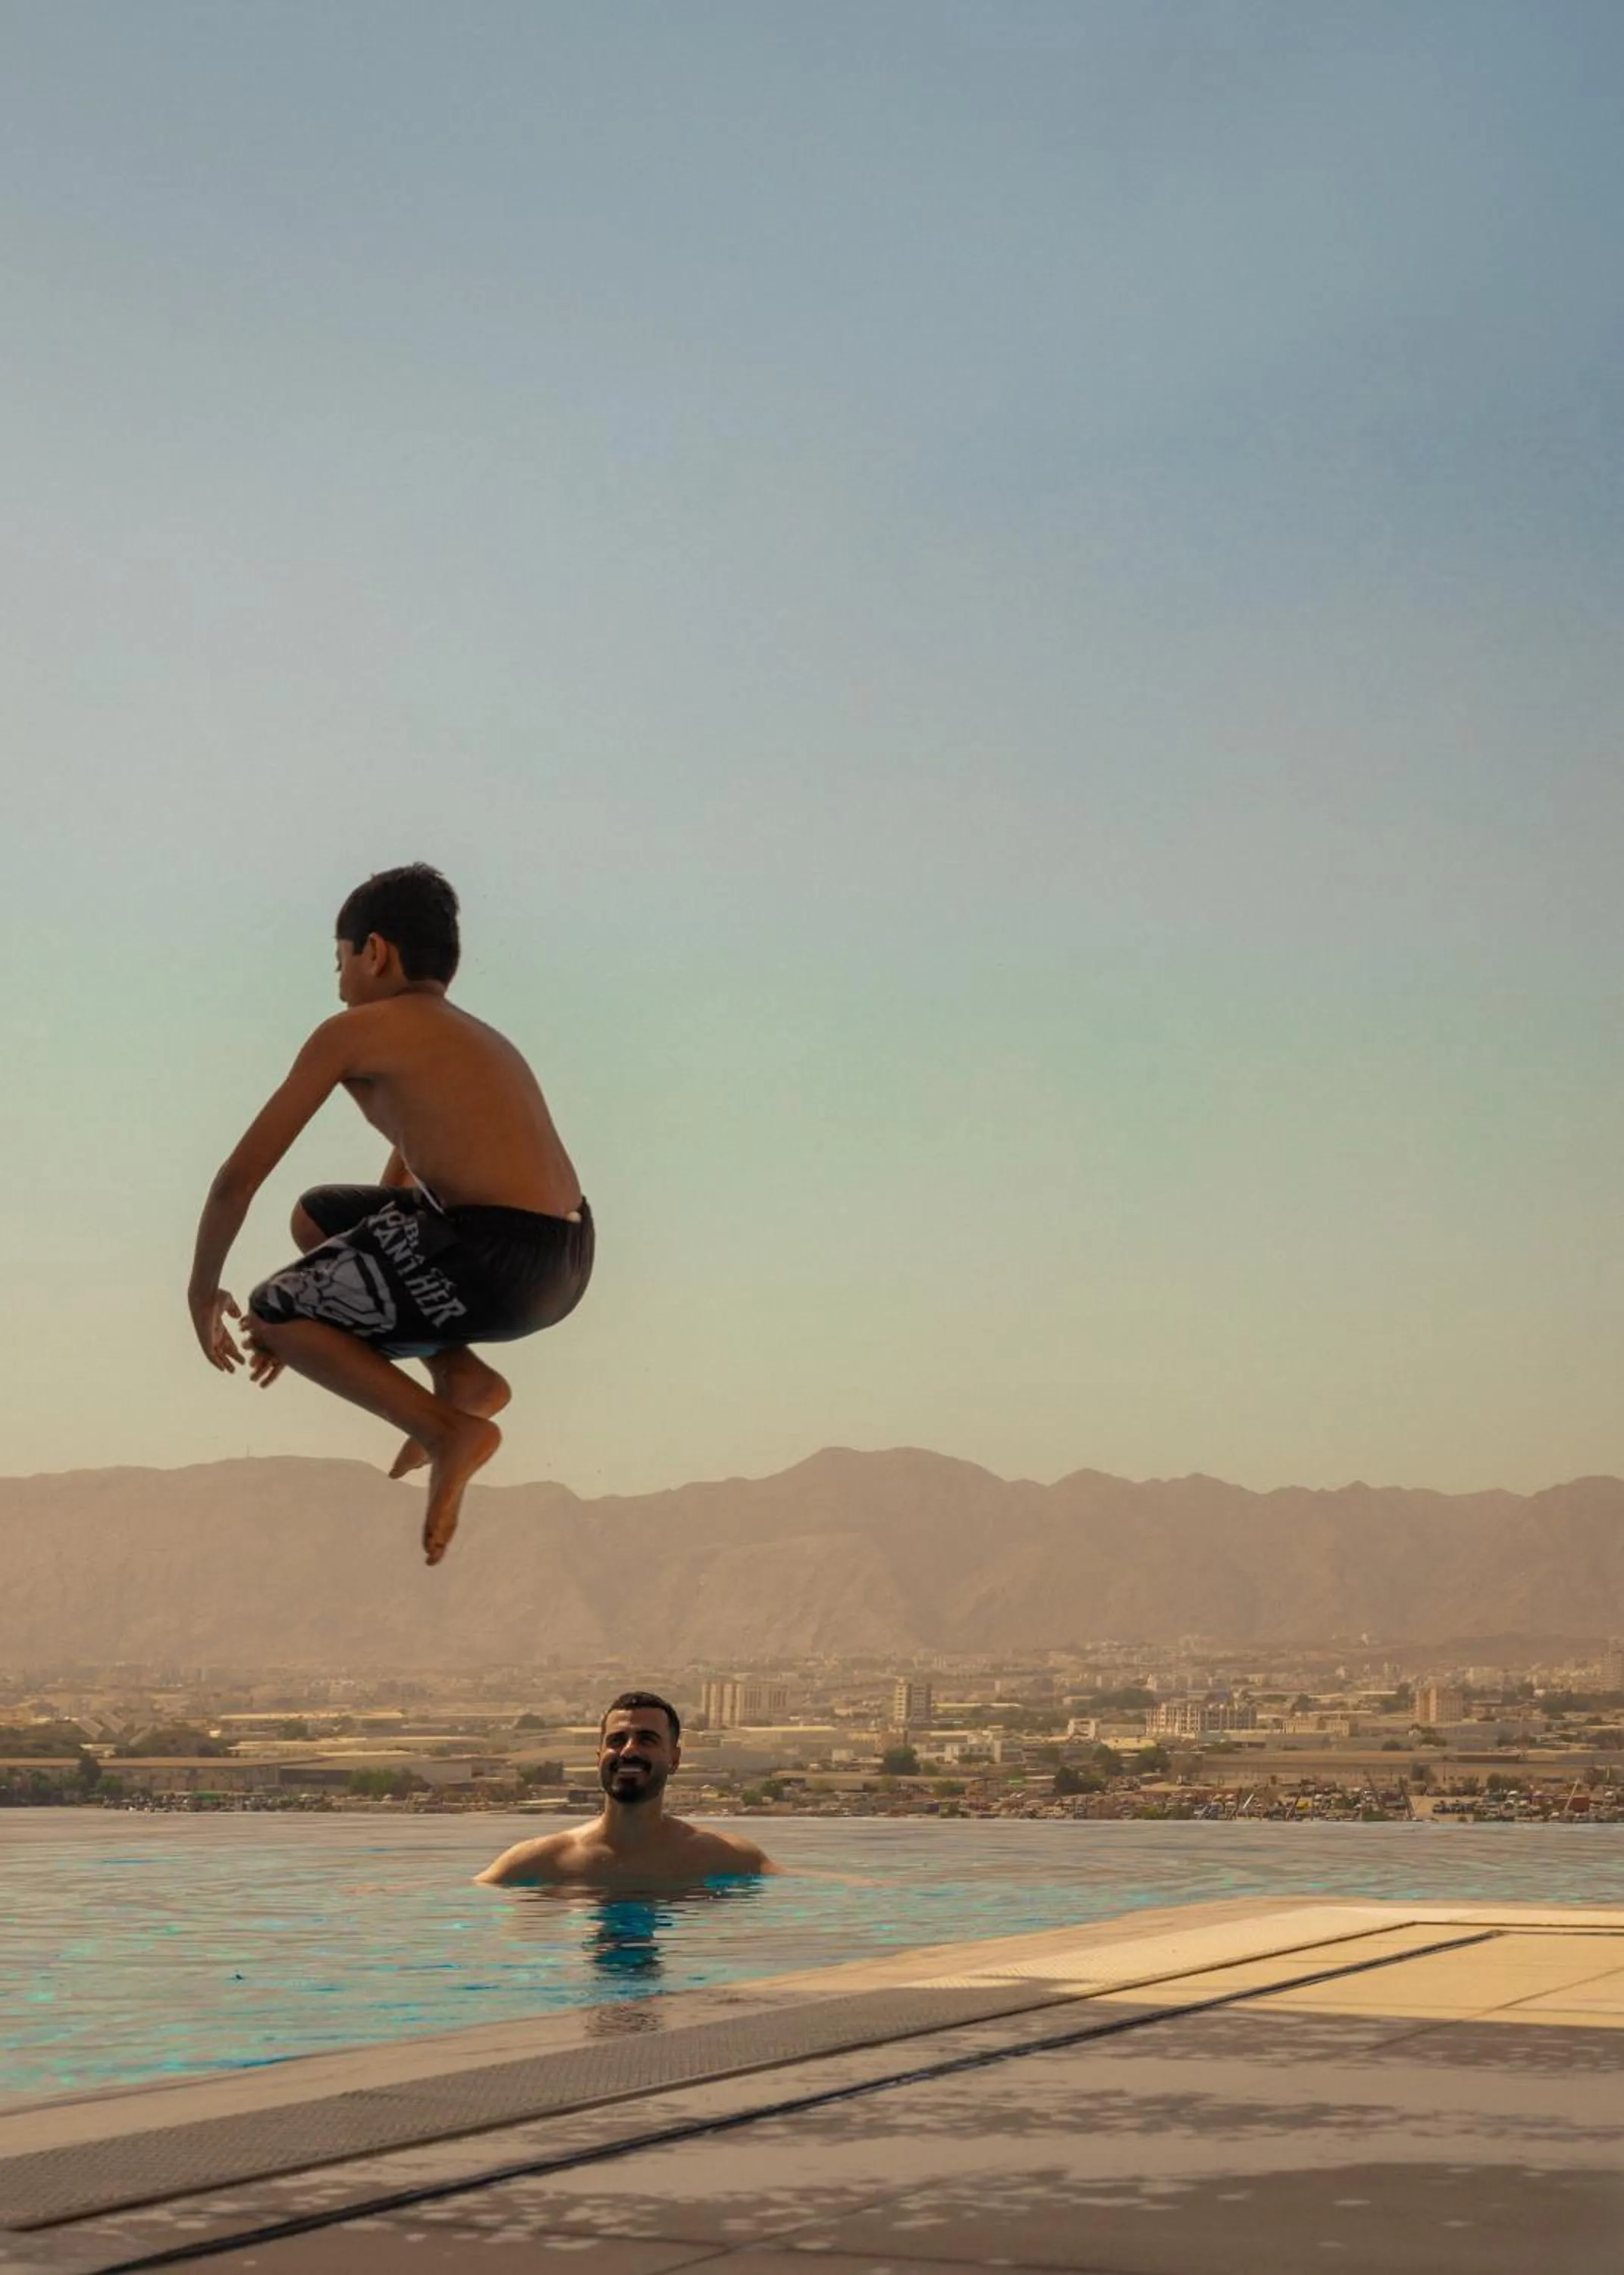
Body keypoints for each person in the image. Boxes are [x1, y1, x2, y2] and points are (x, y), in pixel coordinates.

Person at [187, 864, 592, 1567]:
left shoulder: (353, 1032)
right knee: (318, 1218)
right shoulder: (471, 1036)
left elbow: (235, 1179)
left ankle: (447, 1432)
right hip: (565, 1254)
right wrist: (337, 1315)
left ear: (374, 951)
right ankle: (463, 1379)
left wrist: (207, 1293)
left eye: (338, 958)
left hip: (495, 1257)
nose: (337, 977)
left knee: (274, 1308)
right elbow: (409, 1170)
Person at [476, 1693, 777, 1887]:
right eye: (617, 1740)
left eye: (647, 1740)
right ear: (599, 1757)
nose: (629, 1751)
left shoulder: (725, 1857)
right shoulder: (539, 1862)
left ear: (675, 1759)